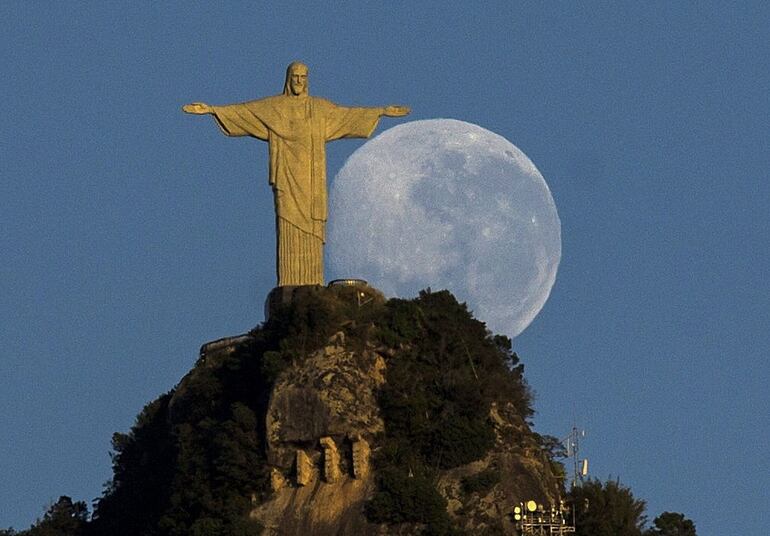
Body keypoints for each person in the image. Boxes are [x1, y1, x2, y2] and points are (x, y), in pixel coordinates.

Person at [183, 61, 410, 286]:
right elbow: (245, 112)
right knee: (288, 224)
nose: (299, 82)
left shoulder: (320, 109)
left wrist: (380, 112)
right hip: (287, 178)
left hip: (311, 182)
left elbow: (348, 115)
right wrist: (212, 110)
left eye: (303, 77)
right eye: (295, 77)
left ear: (308, 80)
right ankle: (290, 281)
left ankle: (312, 282)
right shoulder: (274, 108)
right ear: (288, 79)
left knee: (311, 228)